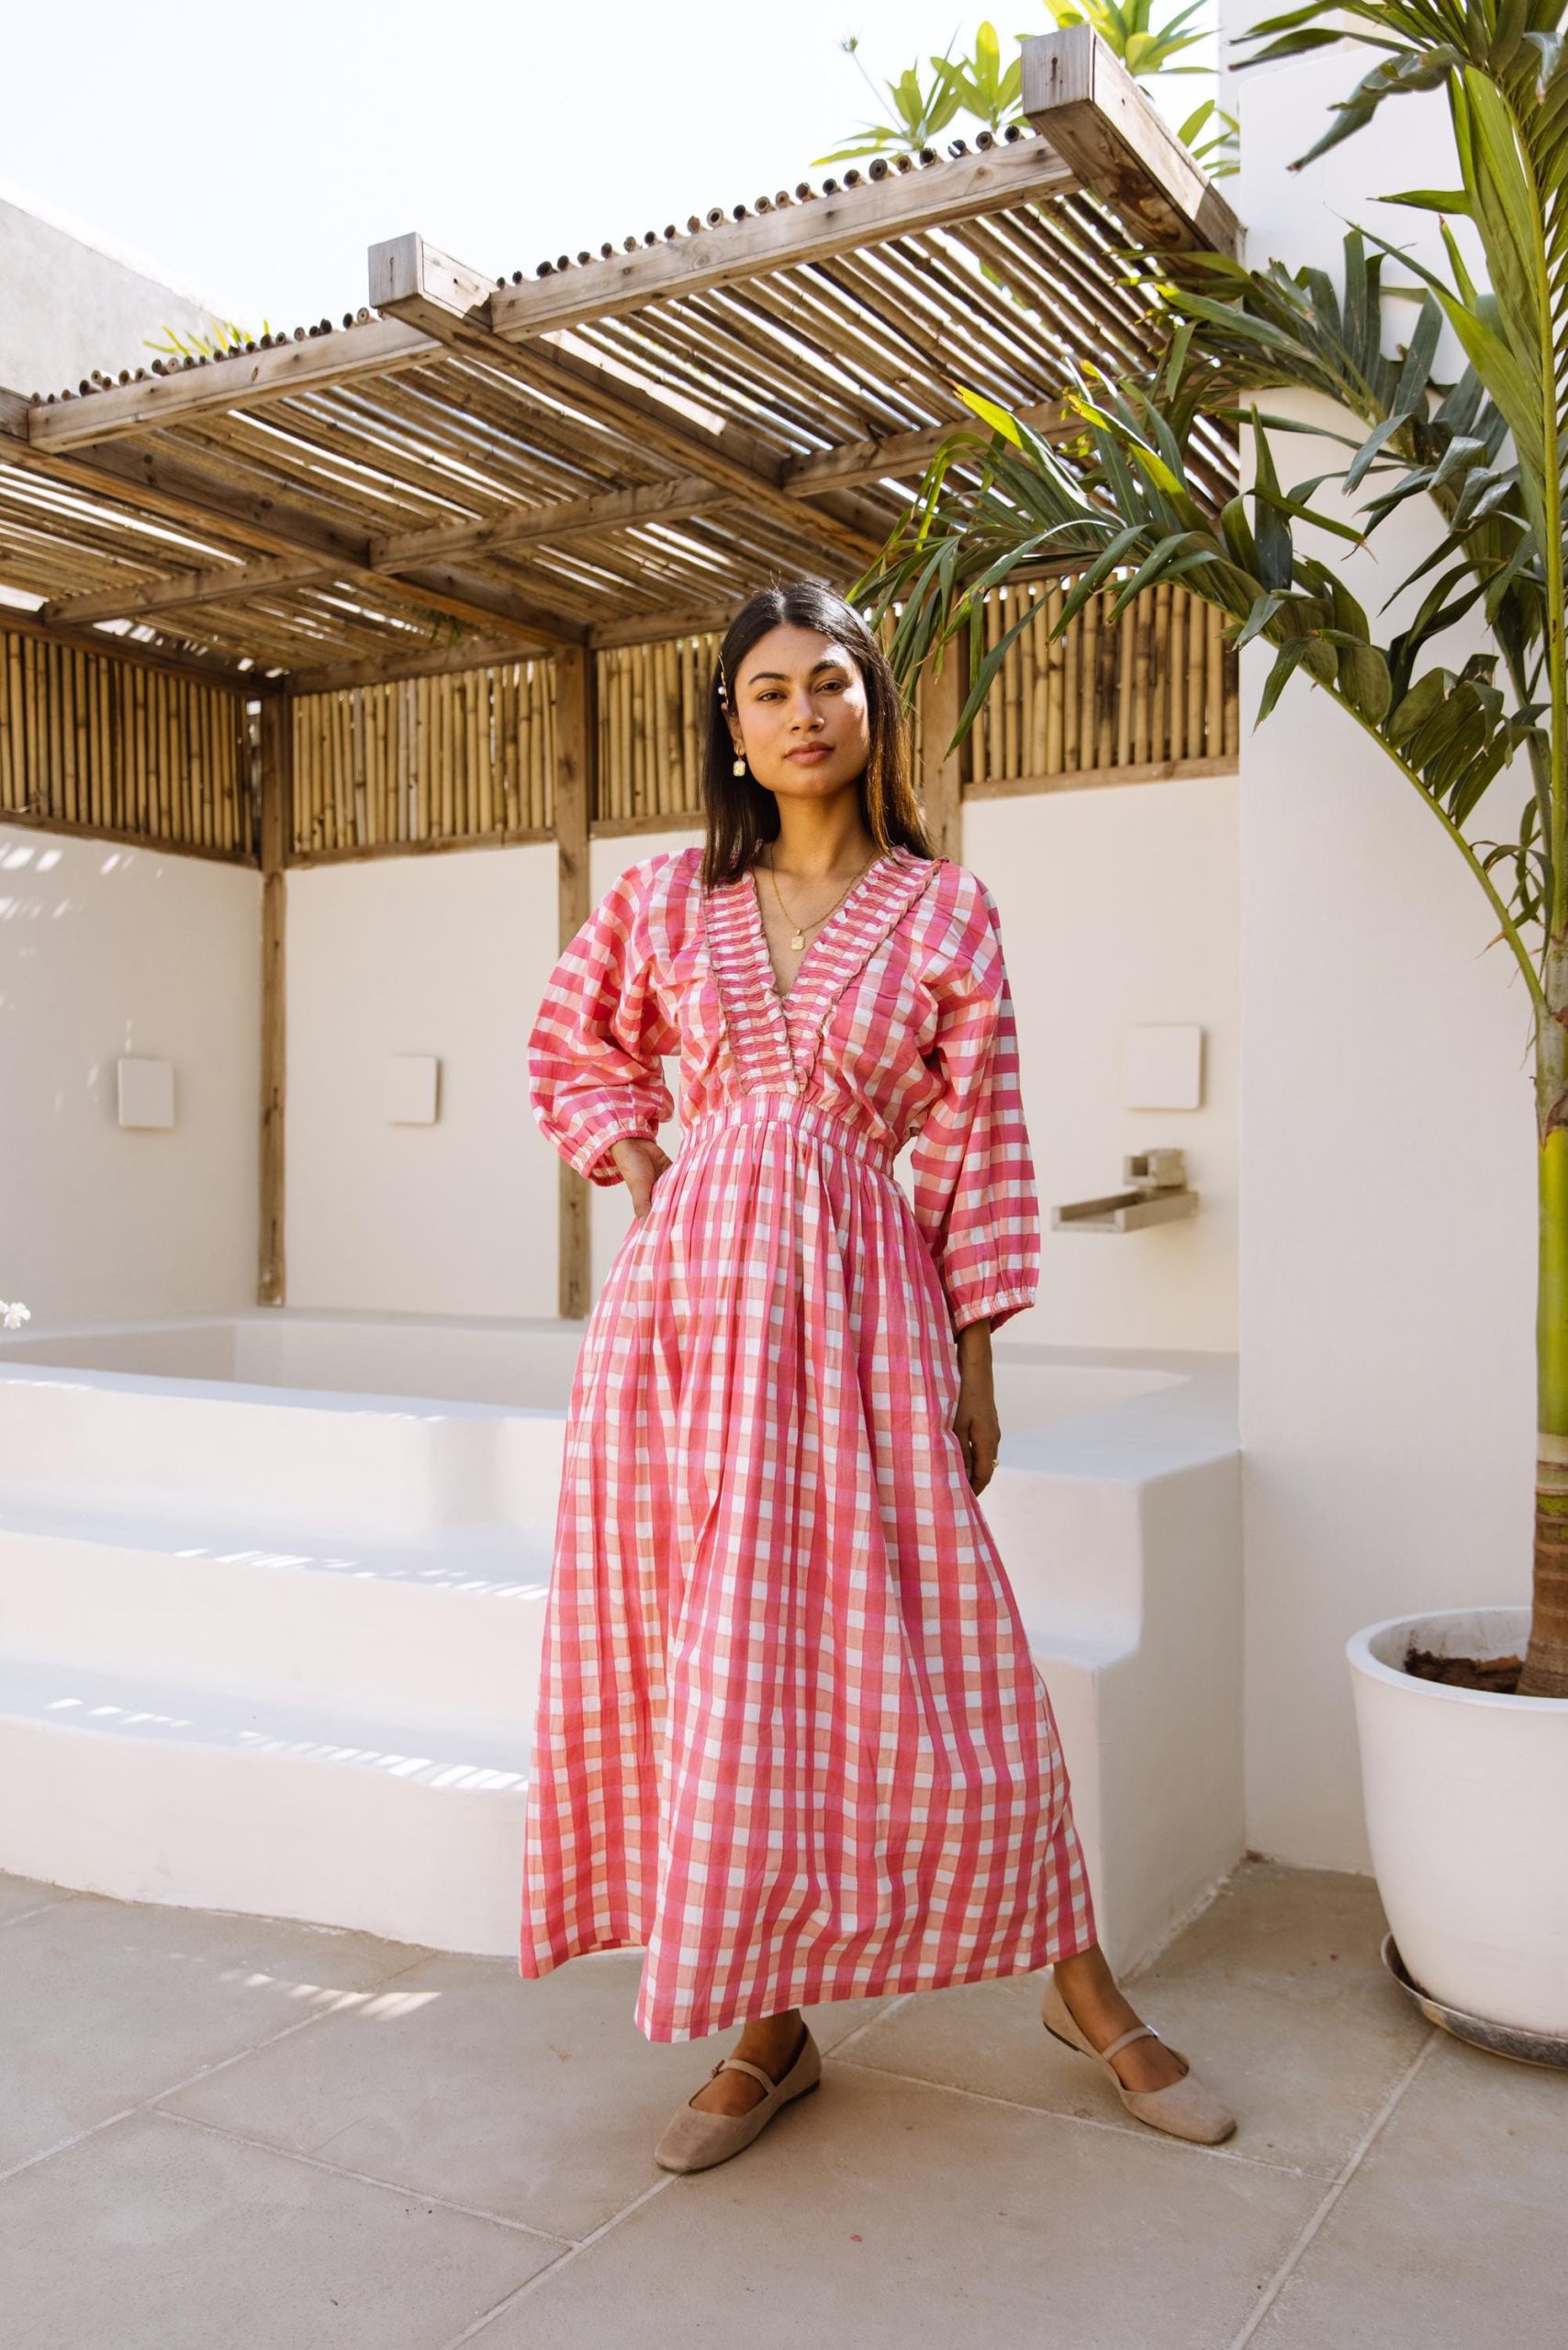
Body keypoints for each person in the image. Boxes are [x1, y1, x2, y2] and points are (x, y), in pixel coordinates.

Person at [521, 578, 1235, 2170]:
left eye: (829, 683)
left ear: (873, 705)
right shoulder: (662, 897)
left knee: (955, 1658)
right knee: (723, 1658)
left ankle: (1080, 1990)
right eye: (769, 691)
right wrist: (644, 1163)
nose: (803, 713)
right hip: (685, 1328)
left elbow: (978, 1146)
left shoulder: (946, 911)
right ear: (733, 726)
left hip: (863, 1313)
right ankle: (769, 2025)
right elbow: (572, 1041)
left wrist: (978, 1367)